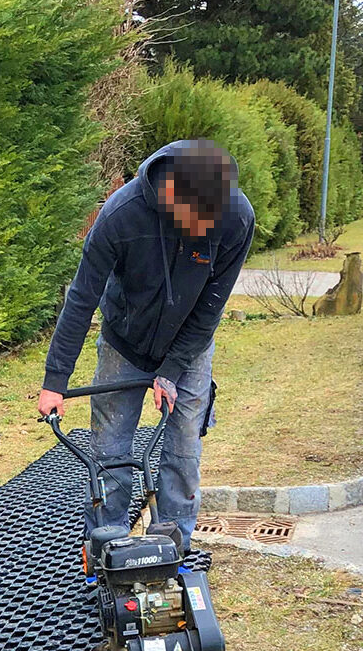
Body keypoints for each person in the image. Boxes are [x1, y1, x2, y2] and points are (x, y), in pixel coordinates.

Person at [37, 139, 255, 551]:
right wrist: (55, 380)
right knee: (111, 447)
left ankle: (175, 545)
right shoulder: (121, 215)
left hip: (190, 345)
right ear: (172, 195)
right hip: (125, 341)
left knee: (183, 448)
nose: (207, 228)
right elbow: (82, 297)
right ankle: (108, 544)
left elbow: (211, 306)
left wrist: (171, 371)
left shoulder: (236, 217)